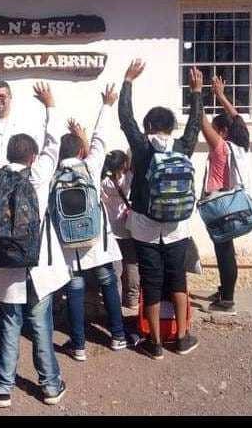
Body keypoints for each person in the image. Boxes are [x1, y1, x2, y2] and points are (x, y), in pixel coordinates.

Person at [0, 82, 68, 408]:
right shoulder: (39, 175)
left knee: (9, 323)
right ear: (32, 156)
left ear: (8, 155)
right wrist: (50, 106)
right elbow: (55, 143)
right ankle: (51, 386)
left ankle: (2, 387)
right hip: (38, 263)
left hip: (5, 265)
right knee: (41, 325)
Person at [118, 59, 202, 360]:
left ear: (148, 126)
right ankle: (181, 337)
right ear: (171, 127)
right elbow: (195, 124)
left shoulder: (141, 147)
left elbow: (125, 119)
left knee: (151, 284)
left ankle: (153, 342)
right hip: (178, 228)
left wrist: (128, 81)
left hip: (145, 227)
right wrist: (196, 92)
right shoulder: (183, 147)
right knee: (178, 280)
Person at [54, 85, 129, 362]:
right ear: (81, 150)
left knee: (74, 289)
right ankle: (118, 336)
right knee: (108, 282)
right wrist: (107, 105)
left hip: (68, 243)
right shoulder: (91, 166)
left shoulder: (53, 173)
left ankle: (79, 345)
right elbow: (100, 138)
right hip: (97, 238)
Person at [199, 74, 252, 316]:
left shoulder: (221, 147)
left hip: (221, 206)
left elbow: (201, 123)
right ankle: (225, 290)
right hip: (234, 205)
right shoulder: (241, 146)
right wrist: (220, 96)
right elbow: (238, 120)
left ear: (221, 131)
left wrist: (197, 92)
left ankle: (227, 299)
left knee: (224, 251)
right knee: (226, 249)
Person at [100, 150, 140, 310]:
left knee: (115, 269)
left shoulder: (102, 181)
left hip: (110, 231)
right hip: (129, 229)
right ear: (124, 164)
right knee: (132, 265)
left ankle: (115, 300)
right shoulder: (129, 178)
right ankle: (132, 299)